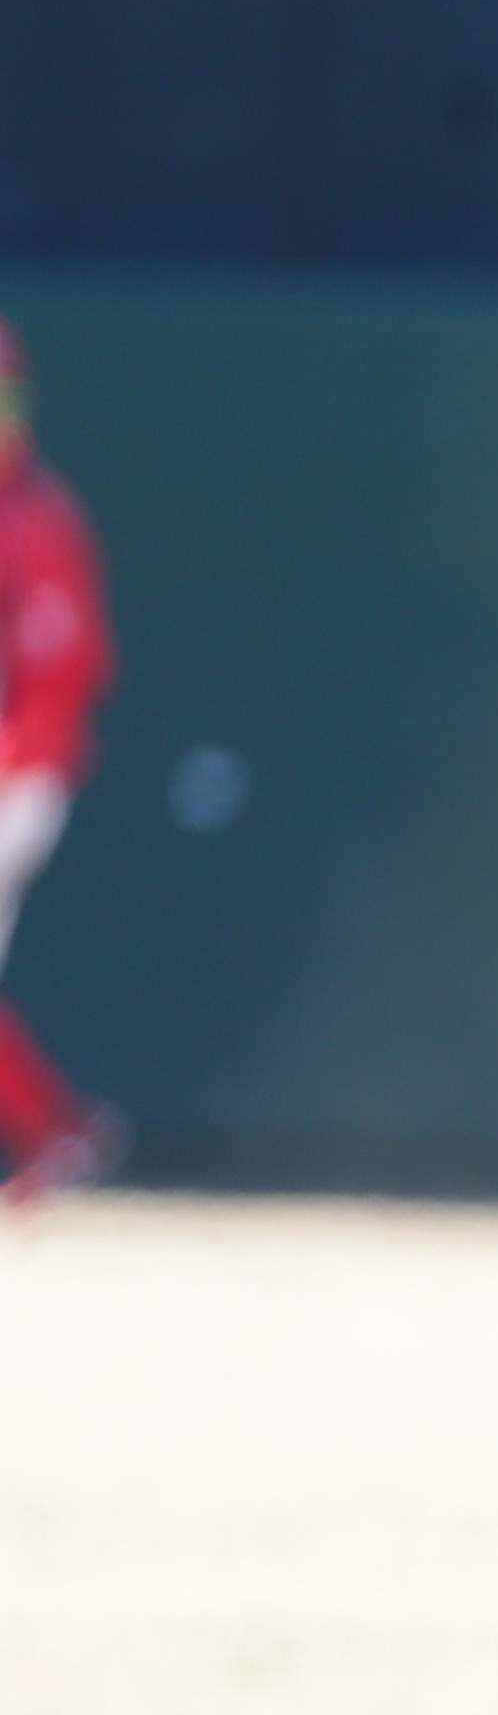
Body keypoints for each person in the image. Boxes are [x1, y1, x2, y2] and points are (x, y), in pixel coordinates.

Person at [0, 321, 122, 1205]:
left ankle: (63, 1133)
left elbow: (66, 676)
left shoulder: (38, 517)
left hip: (19, 780)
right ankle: (65, 1132)